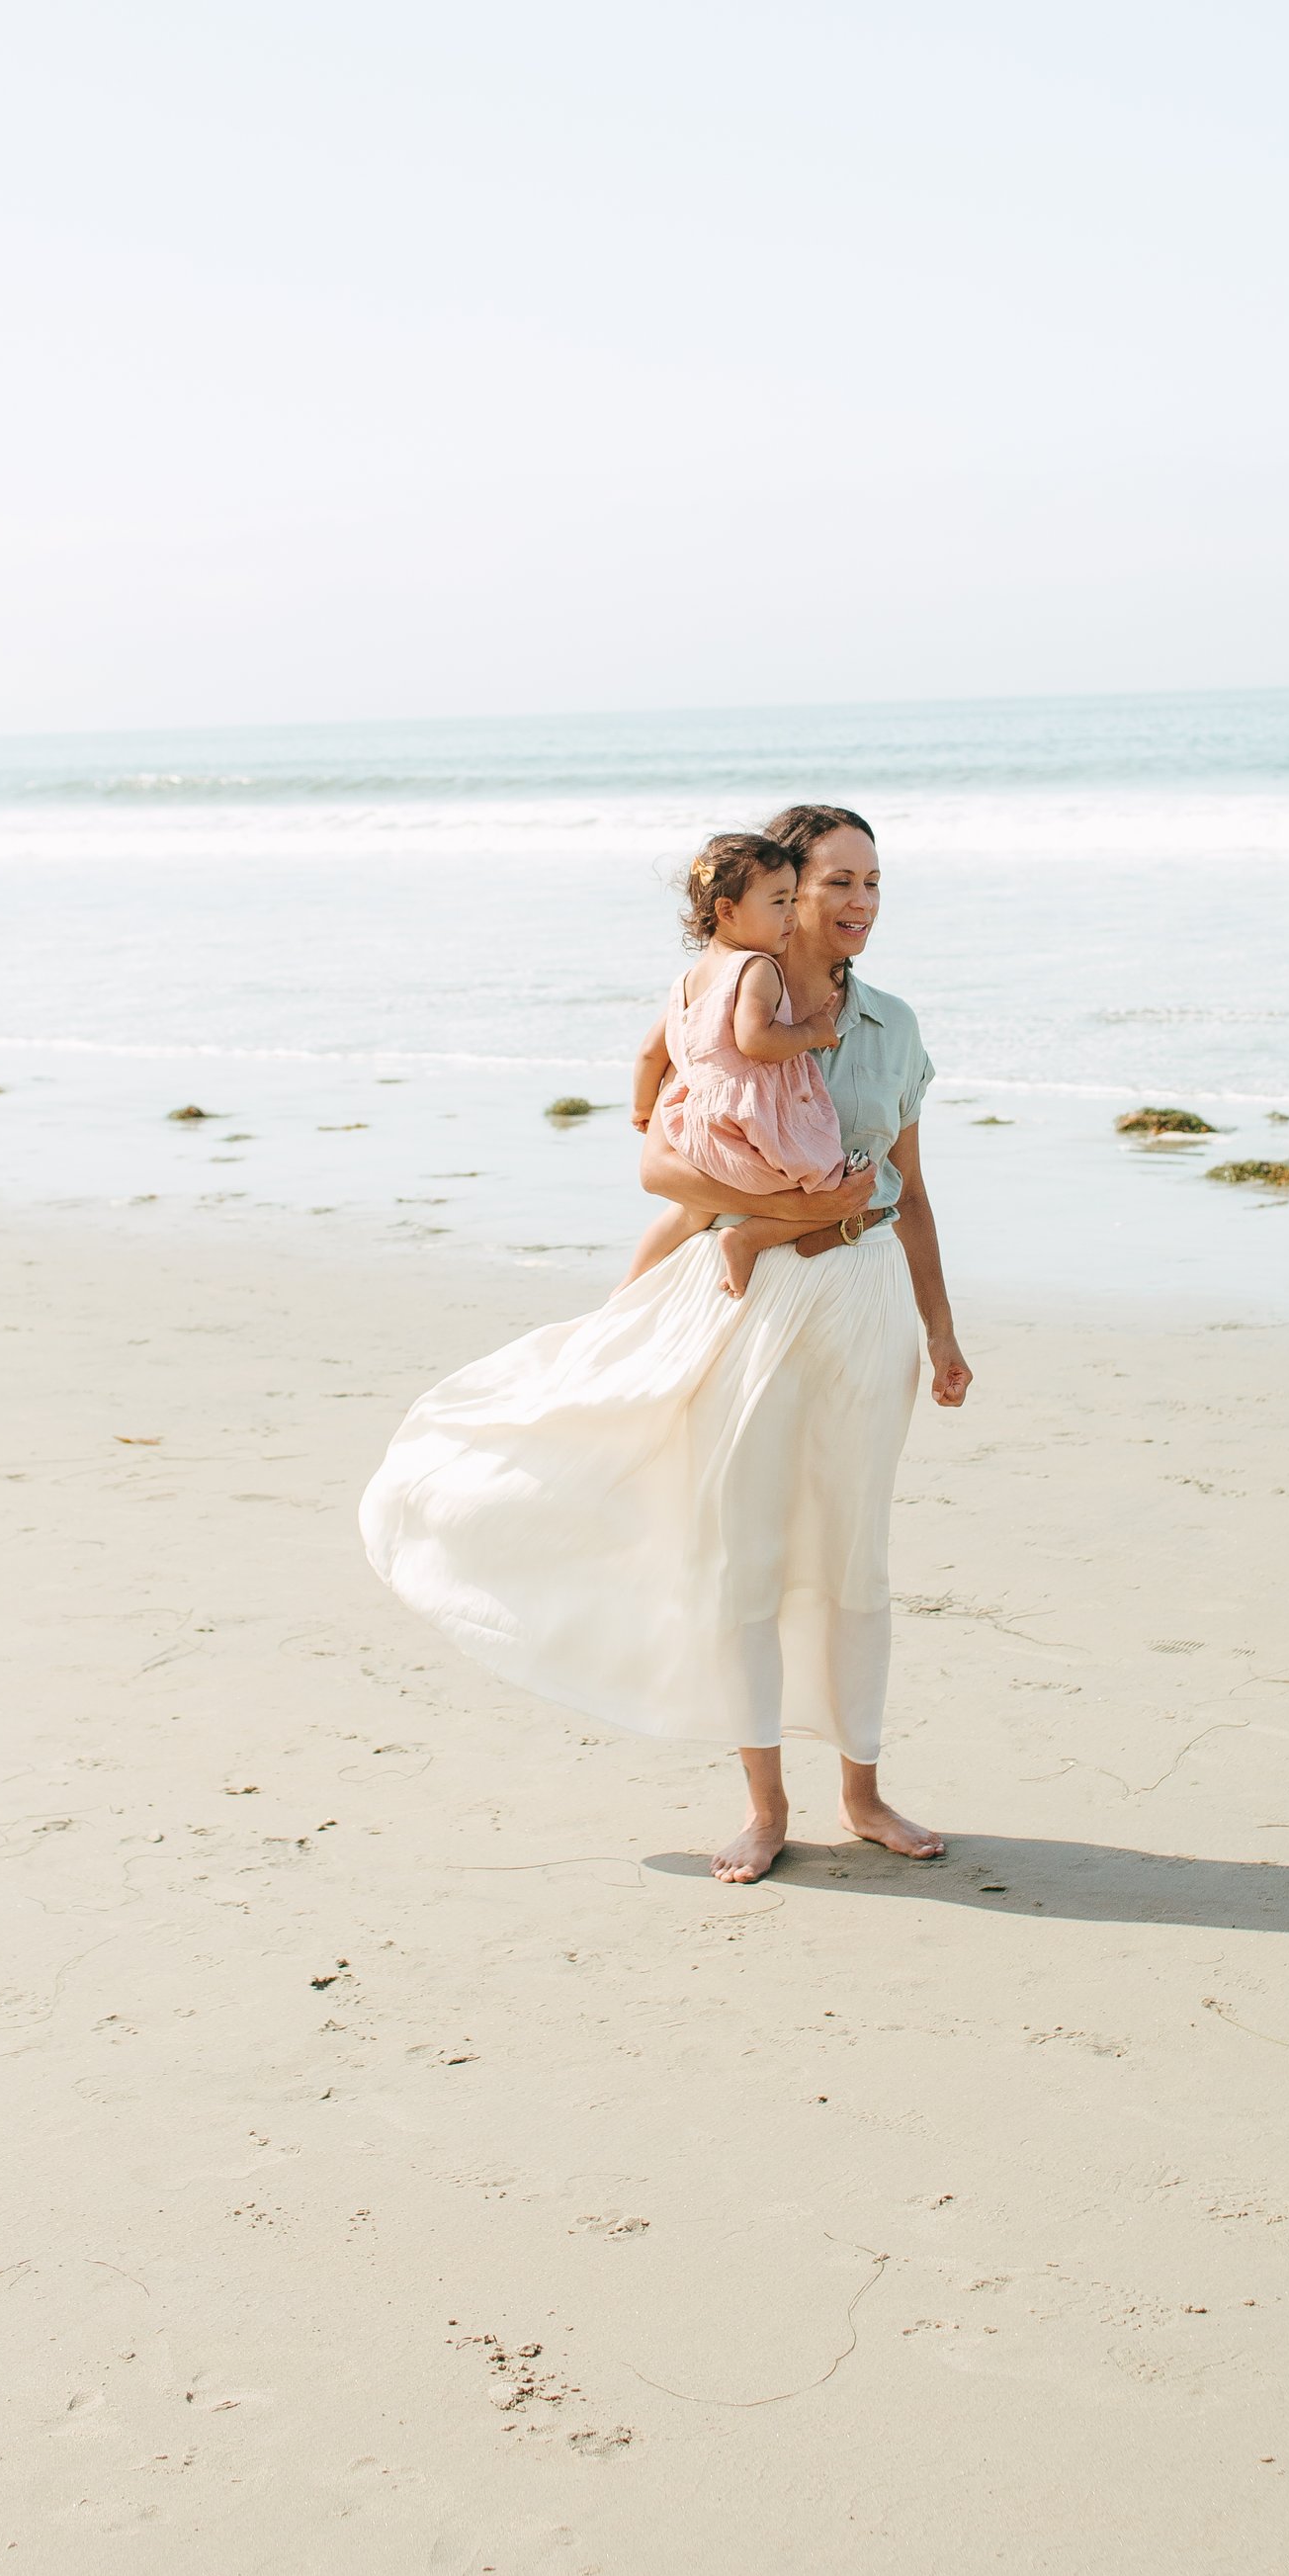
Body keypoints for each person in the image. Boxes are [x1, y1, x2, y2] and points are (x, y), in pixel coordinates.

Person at [359, 802, 971, 1882]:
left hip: (868, 1298)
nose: (860, 903)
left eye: (875, 882)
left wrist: (941, 1329)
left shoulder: (896, 1027)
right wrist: (774, 1219)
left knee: (856, 1552)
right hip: (751, 1303)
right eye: (836, 883)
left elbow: (910, 1194)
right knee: (746, 1548)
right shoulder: (740, 1006)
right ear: (781, 896)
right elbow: (662, 1169)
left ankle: (863, 1792)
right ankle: (763, 1805)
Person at [625, 827, 872, 1300]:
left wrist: (641, 1108)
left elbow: (650, 1053)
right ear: (727, 911)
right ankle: (748, 1238)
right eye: (779, 902)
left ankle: (629, 1286)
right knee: (838, 1193)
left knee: (690, 1209)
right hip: (748, 1119)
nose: (792, 917)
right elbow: (756, 1040)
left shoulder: (687, 982)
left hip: (695, 1121)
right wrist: (813, 1032)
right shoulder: (755, 968)